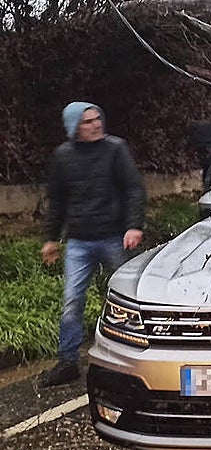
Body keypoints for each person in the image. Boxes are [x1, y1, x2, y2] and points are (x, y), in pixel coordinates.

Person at [40, 103, 146, 387]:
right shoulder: (63, 156)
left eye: (98, 118)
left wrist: (134, 225)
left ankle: (132, 358)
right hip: (79, 241)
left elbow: (133, 188)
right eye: (87, 121)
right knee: (72, 301)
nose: (96, 124)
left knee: (128, 300)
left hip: (115, 237)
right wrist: (50, 238)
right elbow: (57, 201)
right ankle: (68, 361)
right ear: (74, 126)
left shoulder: (116, 149)